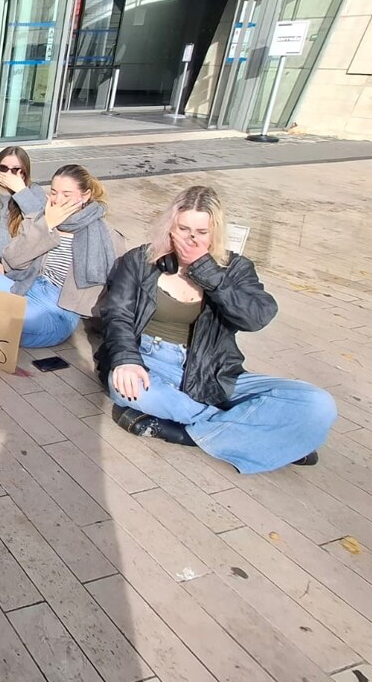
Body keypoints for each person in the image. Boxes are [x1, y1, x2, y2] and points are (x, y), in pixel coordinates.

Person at [97, 185, 335, 472]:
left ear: (216, 233)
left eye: (201, 232)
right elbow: (117, 313)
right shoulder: (140, 260)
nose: (191, 239)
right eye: (183, 229)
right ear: (170, 227)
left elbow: (257, 317)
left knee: (317, 404)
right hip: (150, 360)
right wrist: (126, 359)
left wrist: (206, 271)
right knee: (127, 389)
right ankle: (261, 435)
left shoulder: (234, 269)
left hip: (213, 369)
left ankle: (186, 434)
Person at [0, 163, 124, 348]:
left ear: (85, 195)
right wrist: (46, 226)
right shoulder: (40, 218)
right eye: (53, 192)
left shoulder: (107, 236)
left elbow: (119, 288)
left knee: (8, 322)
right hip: (24, 287)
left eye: (66, 194)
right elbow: (11, 260)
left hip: (55, 310)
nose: (57, 200)